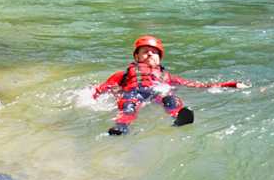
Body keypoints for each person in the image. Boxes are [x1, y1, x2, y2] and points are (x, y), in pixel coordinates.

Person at [92, 35, 245, 136]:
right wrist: (93, 97)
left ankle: (178, 116)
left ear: (160, 57)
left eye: (154, 52)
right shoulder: (124, 74)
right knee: (129, 104)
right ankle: (122, 126)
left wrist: (231, 84)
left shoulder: (167, 77)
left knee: (170, 98)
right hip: (134, 93)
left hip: (157, 93)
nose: (150, 54)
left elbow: (198, 85)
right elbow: (103, 87)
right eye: (145, 51)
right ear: (136, 57)